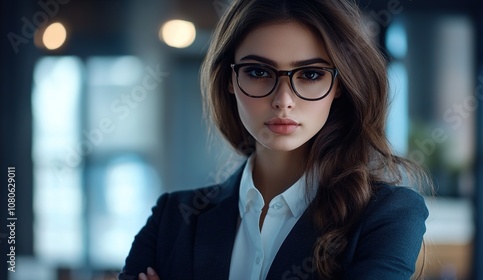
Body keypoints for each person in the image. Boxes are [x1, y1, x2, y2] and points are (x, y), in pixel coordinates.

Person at [119, 0, 430, 279]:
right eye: (257, 72)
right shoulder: (172, 218)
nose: (283, 100)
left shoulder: (387, 215)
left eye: (310, 75)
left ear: (340, 85)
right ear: (230, 80)